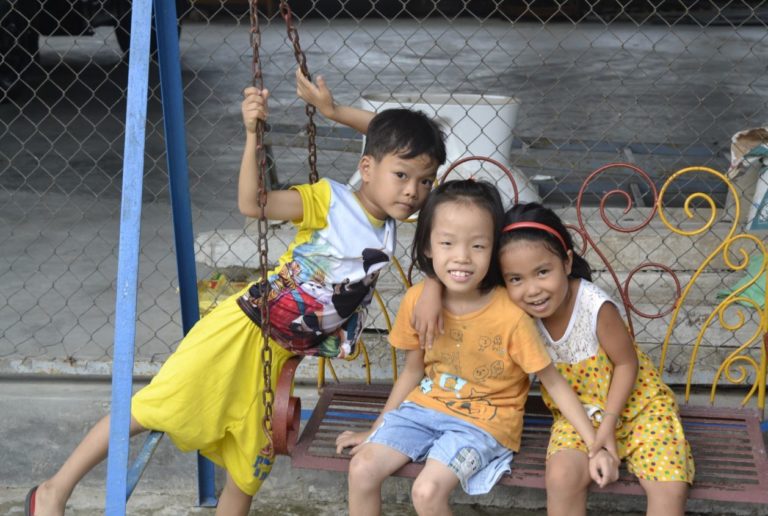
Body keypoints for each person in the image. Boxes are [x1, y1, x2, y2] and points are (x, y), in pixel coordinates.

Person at [25, 77, 446, 516]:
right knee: (151, 409)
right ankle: (54, 490)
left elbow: (386, 134)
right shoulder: (330, 201)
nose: (413, 191)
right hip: (242, 331)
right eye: (401, 176)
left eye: (424, 181)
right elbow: (253, 203)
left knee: (248, 470)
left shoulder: (391, 216)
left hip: (281, 358)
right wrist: (251, 135)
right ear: (366, 168)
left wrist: (334, 110)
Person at [335, 180, 617, 516]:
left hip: (486, 423)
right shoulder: (418, 301)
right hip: (424, 408)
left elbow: (552, 381)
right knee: (362, 468)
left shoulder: (510, 314)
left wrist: (594, 442)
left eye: (478, 246)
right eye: (447, 243)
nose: (462, 257)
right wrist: (376, 429)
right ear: (427, 246)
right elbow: (413, 370)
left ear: (494, 249)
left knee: (426, 491)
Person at [415, 201, 695, 516]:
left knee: (669, 486)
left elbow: (627, 364)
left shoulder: (594, 307)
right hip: (576, 417)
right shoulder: (512, 308)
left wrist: (607, 429)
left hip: (640, 409)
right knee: (561, 477)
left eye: (543, 272)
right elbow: (463, 278)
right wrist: (432, 285)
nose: (532, 289)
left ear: (566, 262)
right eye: (516, 279)